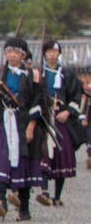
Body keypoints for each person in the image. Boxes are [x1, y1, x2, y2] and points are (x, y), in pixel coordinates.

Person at [0, 37, 46, 221]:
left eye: (16, 51)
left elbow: (38, 101)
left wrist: (31, 125)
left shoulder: (31, 76)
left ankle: (24, 208)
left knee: (23, 164)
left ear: (23, 54)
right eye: (9, 51)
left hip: (22, 123)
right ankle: (1, 201)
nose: (12, 55)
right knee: (2, 160)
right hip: (4, 123)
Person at [35, 40, 82, 206]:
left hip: (61, 118)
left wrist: (68, 111)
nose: (51, 54)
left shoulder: (67, 74)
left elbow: (76, 97)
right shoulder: (38, 73)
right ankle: (44, 191)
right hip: (43, 118)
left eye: (54, 51)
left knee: (61, 155)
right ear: (44, 53)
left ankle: (57, 195)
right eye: (48, 51)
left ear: (59, 53)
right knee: (44, 153)